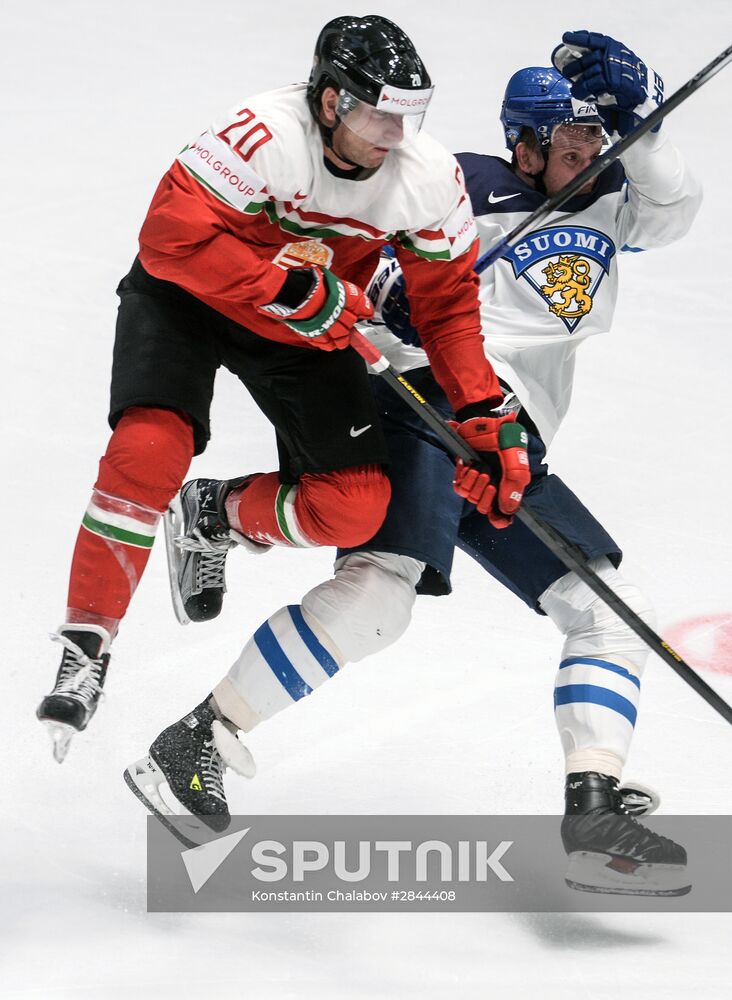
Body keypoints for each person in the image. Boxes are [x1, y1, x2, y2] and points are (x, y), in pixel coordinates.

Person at [125, 31, 701, 894]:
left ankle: (593, 805)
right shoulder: (463, 181)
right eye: (568, 142)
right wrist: (387, 281)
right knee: (378, 602)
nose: (587, 156)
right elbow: (374, 246)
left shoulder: (612, 205)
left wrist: (643, 133)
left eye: (598, 140)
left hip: (507, 439)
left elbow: (678, 209)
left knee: (613, 609)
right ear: (525, 141)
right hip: (425, 403)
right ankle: (193, 744)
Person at [37, 15, 531, 764]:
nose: (394, 135)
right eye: (377, 114)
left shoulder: (427, 179)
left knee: (357, 506)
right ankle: (87, 643)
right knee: (147, 451)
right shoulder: (263, 134)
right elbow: (168, 240)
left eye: (409, 116)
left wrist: (484, 411)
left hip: (303, 326)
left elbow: (448, 308)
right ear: (330, 100)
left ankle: (218, 513)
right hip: (189, 301)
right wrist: (278, 285)